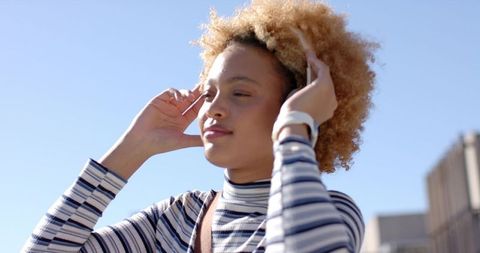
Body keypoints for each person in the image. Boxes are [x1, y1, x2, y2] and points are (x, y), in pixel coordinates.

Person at [22, 0, 376, 252]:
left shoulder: (332, 211)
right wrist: (134, 148)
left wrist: (296, 127)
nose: (214, 109)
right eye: (208, 93)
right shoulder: (179, 217)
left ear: (296, 102)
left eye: (240, 93)